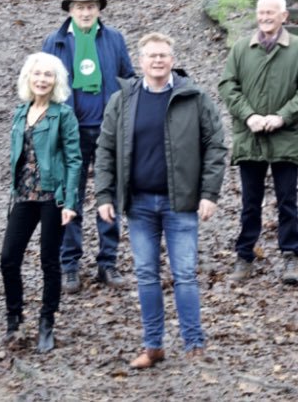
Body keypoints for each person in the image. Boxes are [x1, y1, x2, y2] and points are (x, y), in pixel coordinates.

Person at [93, 33, 227, 369]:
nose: (157, 61)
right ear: (140, 60)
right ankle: (153, 346)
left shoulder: (193, 97)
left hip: (180, 203)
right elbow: (106, 150)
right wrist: (104, 194)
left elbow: (215, 145)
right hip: (139, 204)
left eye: (163, 55)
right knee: (146, 275)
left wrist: (209, 193)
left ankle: (194, 344)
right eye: (151, 55)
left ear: (172, 58)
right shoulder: (122, 100)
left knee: (184, 274)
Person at [41, 0, 137, 293]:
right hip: (71, 132)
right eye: (80, 7)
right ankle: (69, 265)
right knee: (71, 197)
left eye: (91, 6)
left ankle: (107, 263)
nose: (85, 11)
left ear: (99, 9)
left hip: (108, 129)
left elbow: (128, 77)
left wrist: (125, 112)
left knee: (108, 195)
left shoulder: (114, 39)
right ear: (70, 10)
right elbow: (41, 88)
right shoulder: (53, 42)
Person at [217, 0, 298, 285]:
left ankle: (291, 256)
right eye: (261, 13)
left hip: (285, 137)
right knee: (250, 202)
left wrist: (282, 116)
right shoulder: (241, 48)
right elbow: (227, 85)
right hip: (250, 138)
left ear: (284, 16)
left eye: (271, 13)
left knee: (287, 201)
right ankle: (244, 255)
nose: (265, 18)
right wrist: (248, 116)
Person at [0, 52, 82, 354]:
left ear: (56, 80)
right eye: (38, 74)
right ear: (29, 78)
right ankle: (14, 318)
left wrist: (71, 201)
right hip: (23, 195)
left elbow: (75, 160)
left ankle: (47, 322)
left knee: (49, 262)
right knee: (8, 258)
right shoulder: (21, 112)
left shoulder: (64, 115)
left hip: (52, 197)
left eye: (48, 75)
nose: (42, 79)